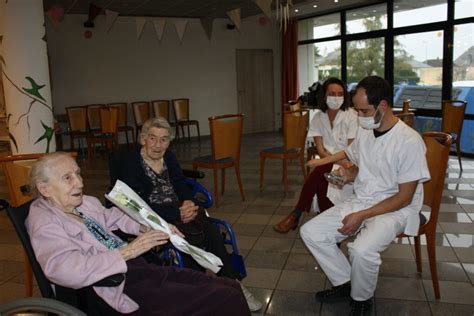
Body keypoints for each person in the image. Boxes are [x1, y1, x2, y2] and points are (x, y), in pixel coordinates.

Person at [26, 152, 250, 315]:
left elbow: (112, 216)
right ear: (44, 188)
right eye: (68, 178)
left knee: (229, 287)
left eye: (78, 173)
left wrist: (146, 226)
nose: (80, 182)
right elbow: (63, 269)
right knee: (225, 299)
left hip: (136, 268)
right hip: (112, 284)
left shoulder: (84, 204)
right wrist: (129, 250)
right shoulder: (43, 221)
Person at [299, 76, 430, 316]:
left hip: (394, 209)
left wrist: (363, 215)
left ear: (382, 106)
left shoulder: (409, 141)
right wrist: (346, 176)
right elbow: (360, 167)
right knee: (311, 232)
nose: (359, 117)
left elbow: (404, 197)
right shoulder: (367, 132)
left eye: (364, 111)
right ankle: (346, 282)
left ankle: (362, 300)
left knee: (361, 250)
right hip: (363, 200)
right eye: (357, 110)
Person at [111, 117, 262, 312]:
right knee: (192, 236)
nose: (158, 144)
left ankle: (230, 281)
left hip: (178, 209)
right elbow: (137, 204)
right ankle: (209, 288)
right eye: (153, 138)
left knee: (206, 225)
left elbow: (181, 185)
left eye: (164, 139)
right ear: (143, 139)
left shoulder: (169, 158)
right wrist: (176, 212)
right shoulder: (132, 163)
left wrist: (189, 204)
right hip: (152, 215)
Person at [274, 77, 358, 233]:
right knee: (322, 179)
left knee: (320, 171)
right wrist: (332, 162)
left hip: (349, 164)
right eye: (332, 93)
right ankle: (330, 231)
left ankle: (296, 213)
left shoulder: (352, 117)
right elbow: (320, 150)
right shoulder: (319, 117)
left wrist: (332, 162)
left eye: (340, 94)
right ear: (324, 96)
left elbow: (351, 151)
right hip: (331, 162)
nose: (336, 97)